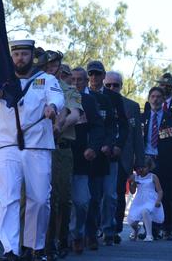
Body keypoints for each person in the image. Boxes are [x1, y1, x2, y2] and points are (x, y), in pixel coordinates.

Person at [0, 39, 64, 261]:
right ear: (12, 57)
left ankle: (34, 246)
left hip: (37, 146)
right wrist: (3, 92)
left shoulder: (45, 80)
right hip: (8, 146)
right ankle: (10, 249)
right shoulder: (3, 79)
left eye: (24, 54)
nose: (20, 58)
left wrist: (52, 107)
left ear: (32, 56)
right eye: (17, 54)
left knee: (39, 199)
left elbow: (58, 97)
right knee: (8, 198)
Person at [35, 49, 82, 260]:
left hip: (61, 149)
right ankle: (45, 243)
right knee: (44, 198)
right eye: (47, 65)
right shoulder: (35, 86)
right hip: (37, 148)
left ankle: (62, 239)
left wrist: (59, 125)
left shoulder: (68, 90)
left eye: (54, 65)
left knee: (62, 198)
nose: (50, 69)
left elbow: (74, 114)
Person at [84, 60, 128, 249]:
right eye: (91, 74)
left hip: (109, 153)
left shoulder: (113, 98)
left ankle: (109, 230)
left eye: (97, 74)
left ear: (103, 76)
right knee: (91, 196)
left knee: (110, 195)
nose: (94, 78)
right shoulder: (81, 96)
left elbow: (121, 125)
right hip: (89, 154)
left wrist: (117, 145)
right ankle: (89, 232)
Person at [103, 71, 145, 244]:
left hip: (124, 157)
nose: (112, 88)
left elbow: (137, 136)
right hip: (102, 155)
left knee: (118, 194)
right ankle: (102, 227)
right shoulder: (98, 100)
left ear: (121, 86)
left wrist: (140, 162)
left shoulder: (132, 106)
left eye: (116, 85)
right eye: (109, 85)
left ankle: (115, 228)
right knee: (102, 194)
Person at [69, 67, 104, 255]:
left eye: (79, 80)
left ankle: (78, 234)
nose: (75, 83)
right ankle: (64, 238)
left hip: (82, 160)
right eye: (72, 79)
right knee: (59, 201)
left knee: (82, 201)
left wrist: (93, 148)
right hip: (58, 155)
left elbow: (99, 128)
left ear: (85, 82)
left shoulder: (89, 101)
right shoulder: (58, 98)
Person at [142, 86, 172, 241]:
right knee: (148, 195)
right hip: (147, 161)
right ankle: (150, 229)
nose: (155, 99)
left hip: (165, 161)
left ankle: (168, 228)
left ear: (163, 100)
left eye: (158, 96)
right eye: (152, 96)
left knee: (165, 195)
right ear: (148, 99)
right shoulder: (143, 118)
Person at [127, 156, 164, 243]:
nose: (141, 169)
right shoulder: (136, 177)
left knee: (145, 211)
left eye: (144, 167)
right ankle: (136, 230)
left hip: (150, 199)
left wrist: (158, 200)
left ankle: (149, 235)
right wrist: (131, 183)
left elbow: (160, 190)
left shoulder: (153, 177)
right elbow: (132, 192)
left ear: (149, 167)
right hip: (139, 200)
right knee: (132, 221)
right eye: (140, 167)